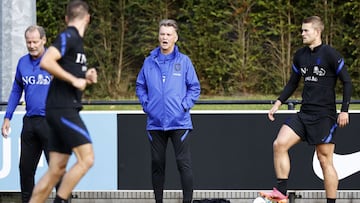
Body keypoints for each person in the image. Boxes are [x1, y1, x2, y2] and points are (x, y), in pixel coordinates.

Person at [263, 16, 352, 203]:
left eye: (306, 30)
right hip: (304, 114)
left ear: (317, 32)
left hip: (324, 116)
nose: (302, 33)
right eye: (302, 30)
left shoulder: (331, 54)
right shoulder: (300, 55)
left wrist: (344, 110)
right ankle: (281, 193)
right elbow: (293, 83)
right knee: (279, 144)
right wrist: (278, 103)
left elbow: (347, 82)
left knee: (324, 160)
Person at [29, 1, 97, 203]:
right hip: (63, 109)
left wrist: (86, 77)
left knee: (56, 170)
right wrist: (75, 80)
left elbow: (68, 72)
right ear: (88, 18)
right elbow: (47, 61)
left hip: (59, 108)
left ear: (67, 17)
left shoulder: (77, 44)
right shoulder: (69, 36)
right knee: (87, 159)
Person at [136, 19, 201, 203]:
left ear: (175, 38)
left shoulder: (184, 61)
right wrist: (146, 104)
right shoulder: (149, 62)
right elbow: (140, 86)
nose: (164, 37)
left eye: (168, 34)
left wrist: (184, 105)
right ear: (158, 36)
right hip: (155, 123)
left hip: (179, 122)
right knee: (157, 164)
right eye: (162, 34)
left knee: (183, 164)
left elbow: (194, 88)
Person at [1, 25, 56, 203]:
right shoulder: (22, 63)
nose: (31, 45)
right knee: (25, 170)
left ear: (44, 40)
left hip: (51, 123)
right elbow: (16, 90)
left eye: (35, 42)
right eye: (28, 42)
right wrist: (7, 116)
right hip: (30, 123)